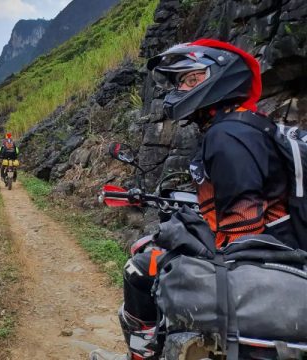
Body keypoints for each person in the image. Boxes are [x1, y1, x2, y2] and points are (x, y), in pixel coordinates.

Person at [117, 39, 300, 359]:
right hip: (279, 245)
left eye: (191, 79)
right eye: (179, 82)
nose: (182, 88)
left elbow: (244, 228)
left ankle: (144, 350)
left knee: (139, 266)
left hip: (264, 257)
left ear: (222, 77)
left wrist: (184, 236)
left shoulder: (228, 134)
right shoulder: (245, 125)